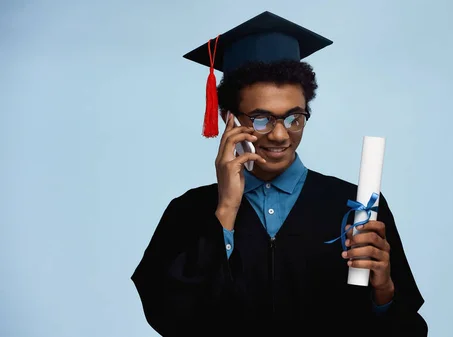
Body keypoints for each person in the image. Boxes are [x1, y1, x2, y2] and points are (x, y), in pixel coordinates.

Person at [131, 11, 427, 335]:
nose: (280, 135)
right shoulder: (188, 212)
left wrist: (384, 290)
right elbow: (172, 319)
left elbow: (408, 331)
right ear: (229, 119)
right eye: (260, 118)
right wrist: (226, 210)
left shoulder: (356, 206)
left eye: (294, 118)